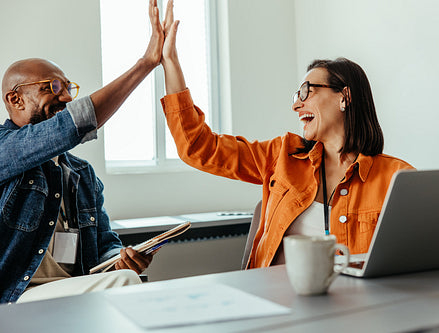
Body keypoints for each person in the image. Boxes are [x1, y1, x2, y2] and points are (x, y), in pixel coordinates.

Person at [159, 1, 414, 269]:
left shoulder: (397, 178)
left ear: (344, 97)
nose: (296, 105)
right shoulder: (282, 156)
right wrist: (171, 62)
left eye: (307, 91)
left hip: (352, 306)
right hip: (276, 302)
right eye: (296, 96)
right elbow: (199, 148)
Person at [0, 0, 167, 303]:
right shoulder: (3, 149)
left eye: (66, 86)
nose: (64, 96)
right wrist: (145, 63)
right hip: (14, 298)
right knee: (126, 285)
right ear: (16, 100)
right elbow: (70, 126)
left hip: (70, 294)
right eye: (50, 87)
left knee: (126, 276)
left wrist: (121, 258)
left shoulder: (80, 174)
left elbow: (105, 243)